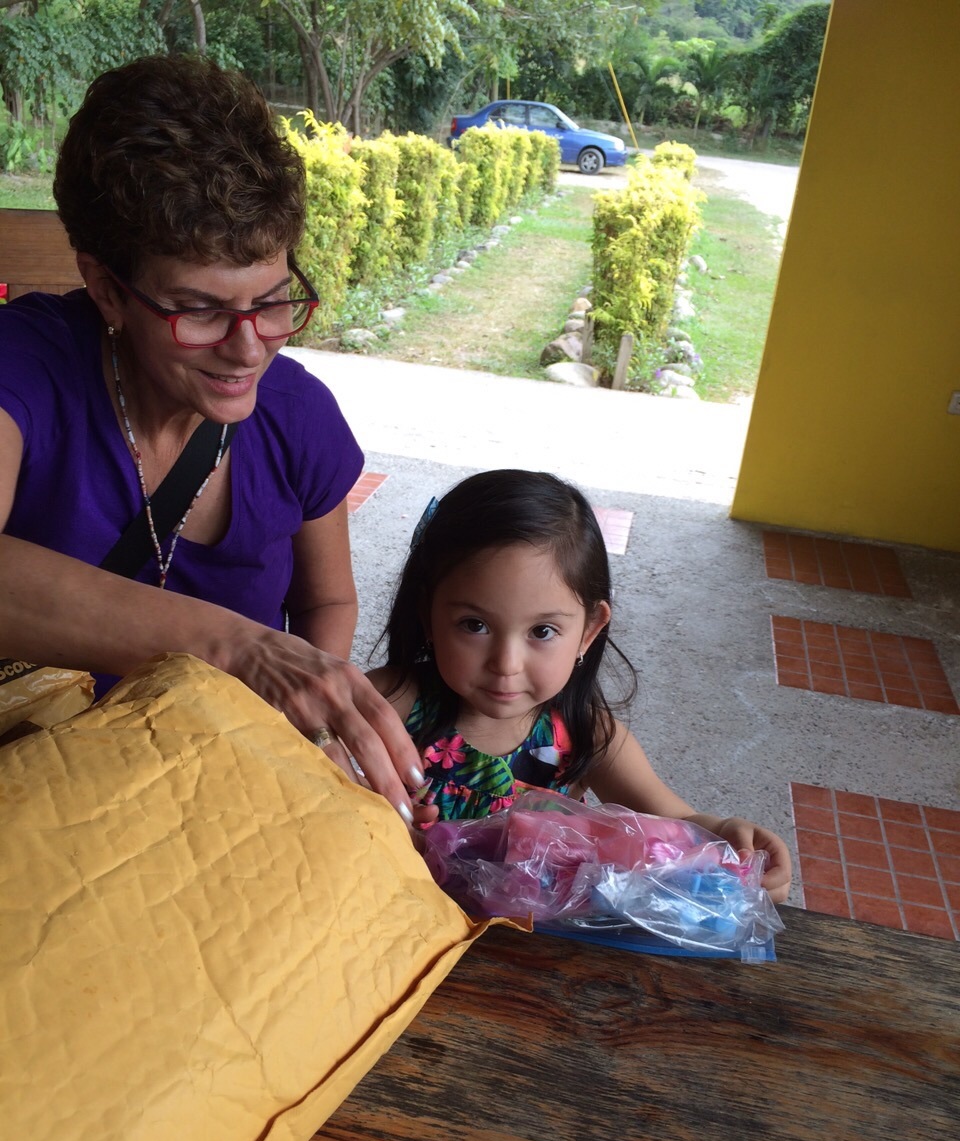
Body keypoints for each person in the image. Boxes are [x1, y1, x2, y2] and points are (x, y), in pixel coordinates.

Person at [0, 54, 423, 821]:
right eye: (200, 310)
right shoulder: (24, 365)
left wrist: (311, 716)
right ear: (106, 289)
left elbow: (327, 598)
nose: (248, 347)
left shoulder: (297, 417)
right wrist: (234, 646)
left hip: (213, 805)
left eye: (272, 300)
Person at [367, 470, 792, 902]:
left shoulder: (588, 735)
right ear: (428, 615)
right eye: (474, 625)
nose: (506, 664)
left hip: (535, 938)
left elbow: (680, 824)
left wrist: (731, 839)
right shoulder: (385, 705)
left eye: (543, 631)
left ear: (588, 631)